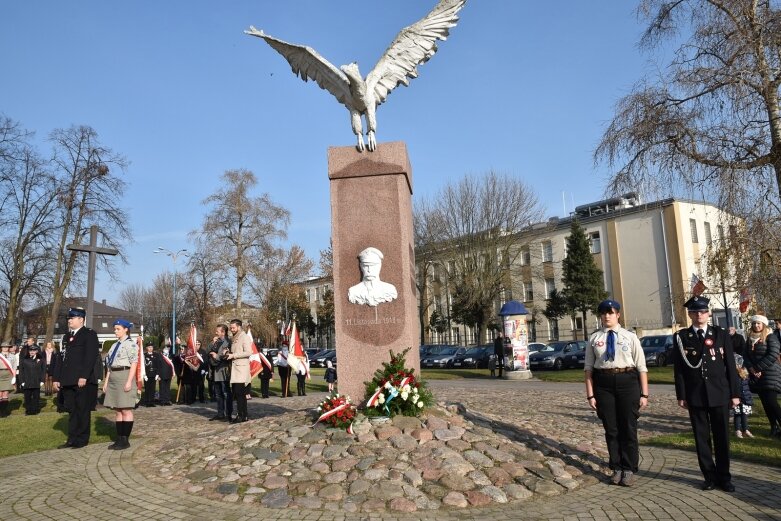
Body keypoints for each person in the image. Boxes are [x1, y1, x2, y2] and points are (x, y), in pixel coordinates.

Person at [673, 296, 740, 492]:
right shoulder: (681, 337)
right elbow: (679, 370)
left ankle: (724, 477)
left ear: (708, 313)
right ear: (690, 314)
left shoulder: (720, 334)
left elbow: (730, 365)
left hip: (720, 393)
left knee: (722, 438)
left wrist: (734, 394)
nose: (699, 315)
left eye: (702, 311)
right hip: (696, 395)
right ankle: (709, 477)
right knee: (702, 438)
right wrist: (681, 395)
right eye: (695, 312)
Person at [584, 299, 648, 487]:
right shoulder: (595, 339)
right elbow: (588, 369)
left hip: (627, 382)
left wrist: (644, 394)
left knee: (628, 427)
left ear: (618, 314)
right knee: (611, 429)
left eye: (610, 312)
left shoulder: (630, 336)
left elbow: (641, 367)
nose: (607, 316)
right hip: (603, 384)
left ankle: (629, 469)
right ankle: (617, 467)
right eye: (603, 313)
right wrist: (590, 394)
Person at [53, 307, 101, 449]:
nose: (69, 321)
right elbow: (61, 358)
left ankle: (82, 439)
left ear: (81, 319)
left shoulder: (89, 334)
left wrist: (83, 376)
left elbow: (90, 357)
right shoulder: (66, 337)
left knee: (82, 409)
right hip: (67, 380)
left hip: (81, 380)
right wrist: (57, 378)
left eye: (72, 318)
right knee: (71, 410)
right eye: (68, 318)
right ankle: (72, 438)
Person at [102, 319, 139, 450]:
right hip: (113, 376)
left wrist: (129, 381)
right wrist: (106, 382)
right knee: (117, 409)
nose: (115, 331)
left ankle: (125, 439)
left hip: (125, 375)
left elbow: (134, 363)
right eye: (115, 328)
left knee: (126, 409)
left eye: (118, 329)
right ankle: (119, 438)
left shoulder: (131, 345)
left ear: (126, 329)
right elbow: (109, 366)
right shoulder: (113, 346)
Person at [743, 314, 781, 438]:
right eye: (754, 323)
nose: (756, 325)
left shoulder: (771, 337)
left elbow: (773, 354)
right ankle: (774, 427)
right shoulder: (749, 339)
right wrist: (752, 369)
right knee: (765, 403)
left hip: (771, 374)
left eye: (758, 323)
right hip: (757, 376)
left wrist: (758, 367)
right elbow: (746, 356)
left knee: (772, 402)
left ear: (763, 324)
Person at [225, 319, 252, 423]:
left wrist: (233, 355)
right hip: (235, 369)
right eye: (231, 328)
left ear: (239, 327)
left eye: (233, 327)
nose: (231, 329)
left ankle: (242, 415)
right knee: (237, 393)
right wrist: (228, 352)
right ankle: (242, 414)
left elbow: (249, 352)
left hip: (241, 369)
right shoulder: (235, 338)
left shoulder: (244, 337)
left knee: (240, 394)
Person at [208, 325, 232, 421]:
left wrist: (216, 355)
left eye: (217, 331)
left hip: (223, 371)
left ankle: (228, 414)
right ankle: (220, 413)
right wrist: (212, 343)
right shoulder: (216, 341)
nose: (216, 332)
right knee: (218, 395)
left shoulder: (228, 342)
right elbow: (208, 351)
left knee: (226, 393)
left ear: (223, 332)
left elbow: (225, 355)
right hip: (215, 371)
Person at [18, 344, 45, 415]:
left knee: (36, 397)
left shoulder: (41, 359)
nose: (32, 352)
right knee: (27, 397)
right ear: (28, 351)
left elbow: (43, 371)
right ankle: (28, 410)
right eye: (31, 350)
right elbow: (21, 371)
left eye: (34, 350)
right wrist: (22, 381)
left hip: (37, 381)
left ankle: (35, 410)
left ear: (36, 351)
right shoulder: (24, 359)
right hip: (27, 381)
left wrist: (42, 380)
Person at [732, 354, 754, 438]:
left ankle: (745, 430)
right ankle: (737, 430)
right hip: (737, 397)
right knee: (737, 414)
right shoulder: (732, 374)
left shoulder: (745, 372)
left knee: (744, 414)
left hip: (745, 396)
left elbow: (748, 383)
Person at [0, 343, 17, 417]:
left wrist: (14, 377)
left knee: (5, 394)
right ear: (1, 348)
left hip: (9, 375)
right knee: (0, 394)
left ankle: (4, 412)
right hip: (0, 374)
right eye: (4, 347)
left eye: (7, 347)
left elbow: (14, 367)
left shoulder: (13, 356)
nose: (5, 348)